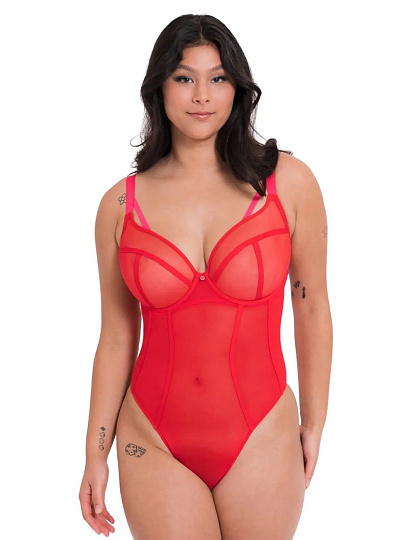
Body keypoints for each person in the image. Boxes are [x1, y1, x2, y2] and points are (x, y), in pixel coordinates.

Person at [79, 13, 332, 540]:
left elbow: (311, 307)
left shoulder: (288, 183)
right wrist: (95, 453)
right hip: (150, 439)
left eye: (218, 77)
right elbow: (117, 337)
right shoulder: (119, 206)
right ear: (159, 87)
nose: (202, 95)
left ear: (237, 88)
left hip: (262, 434)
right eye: (184, 77)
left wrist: (314, 421)